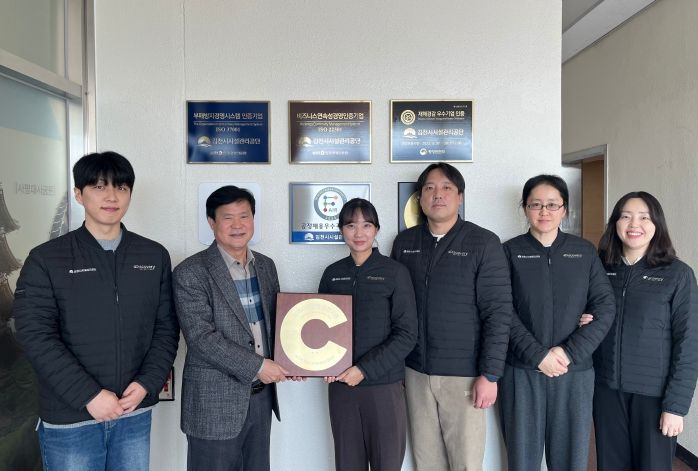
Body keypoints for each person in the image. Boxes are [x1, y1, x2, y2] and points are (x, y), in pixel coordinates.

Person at [13, 151, 179, 470]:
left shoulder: (153, 255)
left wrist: (147, 383)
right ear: (79, 194)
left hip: (133, 412)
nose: (111, 196)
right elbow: (35, 335)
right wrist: (88, 395)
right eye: (99, 186)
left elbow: (166, 328)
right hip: (71, 419)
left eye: (121, 187)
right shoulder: (47, 259)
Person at [391, 162, 512, 470]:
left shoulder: (483, 242)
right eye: (429, 188)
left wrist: (490, 375)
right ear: (420, 198)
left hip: (465, 376)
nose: (438, 194)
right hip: (415, 373)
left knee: (466, 463)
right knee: (426, 462)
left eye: (447, 188)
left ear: (460, 197)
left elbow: (498, 313)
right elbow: (394, 309)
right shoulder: (405, 243)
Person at [498, 175, 615, 471]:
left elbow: (604, 307)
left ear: (564, 209)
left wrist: (567, 352)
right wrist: (538, 355)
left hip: (574, 373)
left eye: (552, 204)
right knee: (522, 461)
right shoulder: (508, 251)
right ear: (525, 208)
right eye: (535, 204)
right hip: (522, 372)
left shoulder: (584, 251)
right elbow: (501, 310)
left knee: (571, 460)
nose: (544, 211)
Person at [173, 185, 288, 471]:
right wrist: (259, 365)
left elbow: (277, 324)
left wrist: (292, 360)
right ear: (212, 223)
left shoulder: (266, 266)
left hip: (261, 398)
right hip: (213, 401)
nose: (238, 225)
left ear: (253, 220)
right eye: (228, 217)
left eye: (244, 216)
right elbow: (201, 338)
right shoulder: (191, 272)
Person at [592, 191, 698, 471]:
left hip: (654, 396)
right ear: (615, 223)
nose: (634, 224)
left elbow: (689, 343)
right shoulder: (600, 268)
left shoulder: (678, 274)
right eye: (626, 216)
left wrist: (675, 406)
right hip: (606, 390)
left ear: (657, 224)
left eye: (644, 217)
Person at [319, 198, 417, 471]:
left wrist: (363, 370)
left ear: (376, 229)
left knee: (387, 463)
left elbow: (407, 334)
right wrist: (320, 364)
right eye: (351, 225)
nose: (359, 233)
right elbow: (319, 327)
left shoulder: (395, 273)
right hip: (341, 388)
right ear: (341, 230)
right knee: (347, 464)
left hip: (383, 387)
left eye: (366, 225)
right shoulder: (332, 274)